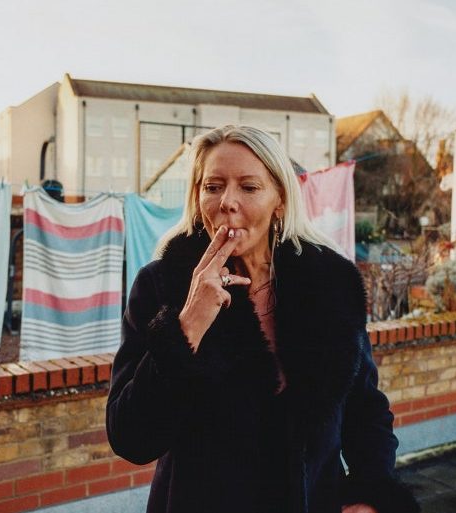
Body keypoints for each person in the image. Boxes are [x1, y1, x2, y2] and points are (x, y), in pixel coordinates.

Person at [106, 125, 419, 513]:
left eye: (249, 187)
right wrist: (188, 326)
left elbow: (365, 409)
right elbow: (130, 438)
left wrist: (370, 494)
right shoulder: (161, 285)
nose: (227, 202)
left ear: (280, 200)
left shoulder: (329, 284)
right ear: (197, 197)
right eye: (213, 186)